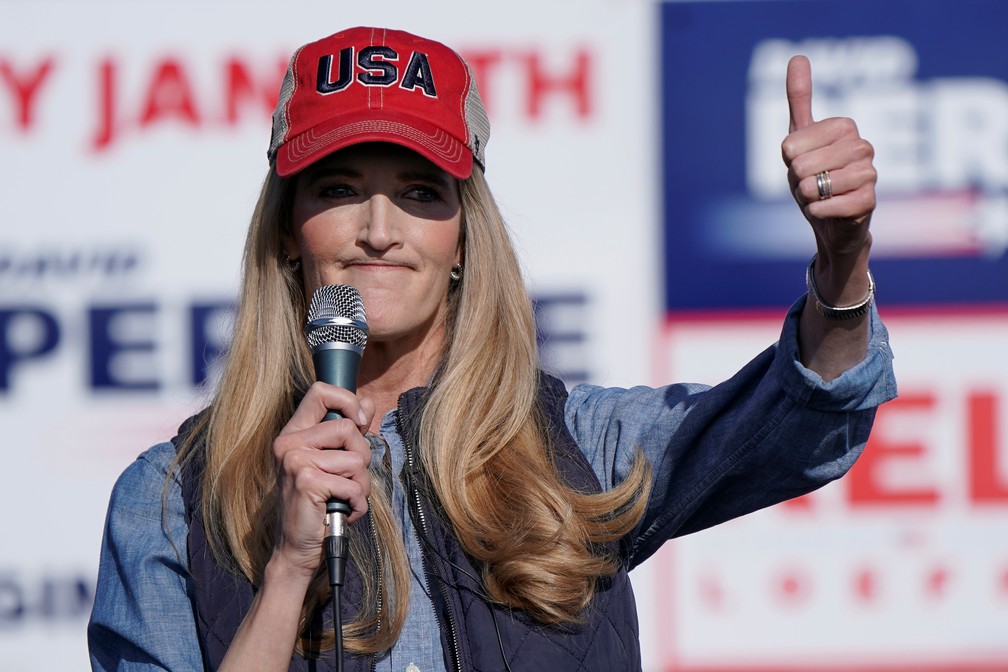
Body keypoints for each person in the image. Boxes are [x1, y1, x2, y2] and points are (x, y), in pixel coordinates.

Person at [87, 25, 896, 672]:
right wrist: (291, 567)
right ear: (288, 232)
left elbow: (798, 420)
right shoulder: (166, 500)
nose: (378, 230)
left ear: (465, 237)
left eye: (418, 192)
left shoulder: (581, 444)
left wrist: (842, 264)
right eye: (338, 190)